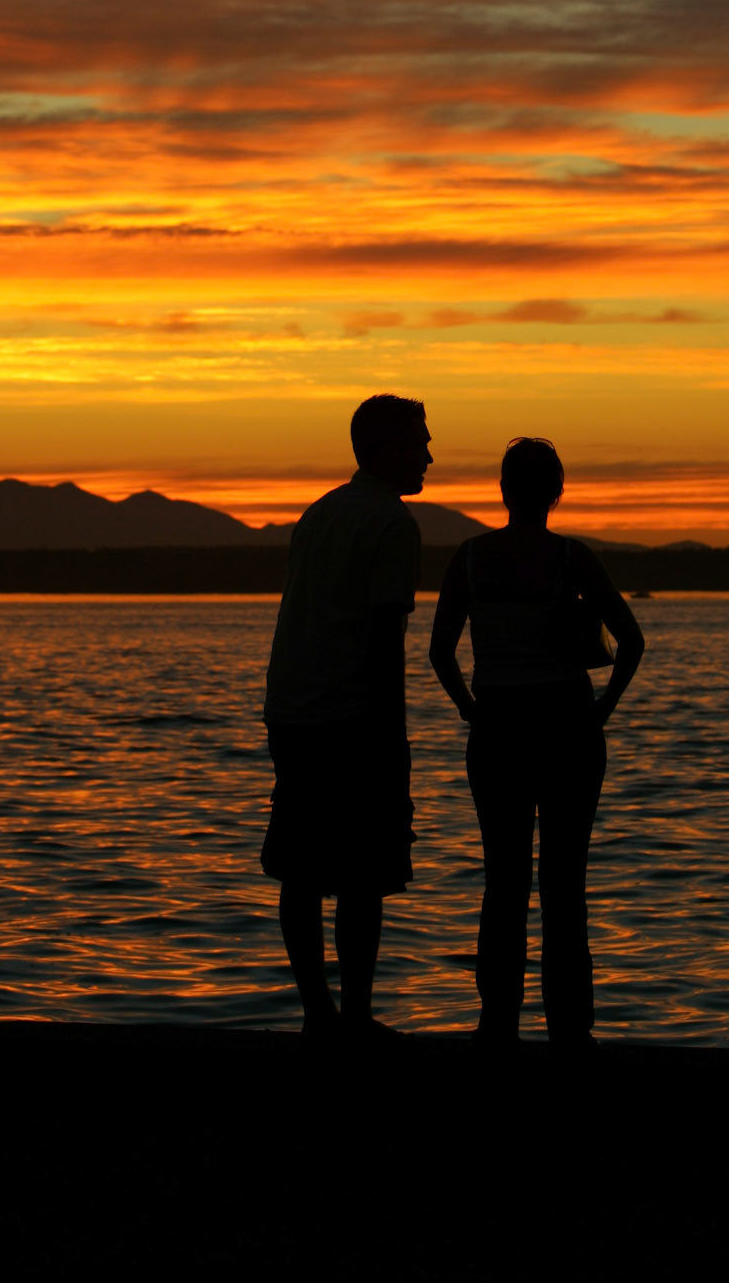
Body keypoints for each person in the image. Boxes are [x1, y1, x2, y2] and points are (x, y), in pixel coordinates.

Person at [428, 437, 644, 1051]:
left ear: (502, 490)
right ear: (557, 492)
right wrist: (600, 710)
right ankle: (571, 1034)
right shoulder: (572, 558)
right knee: (563, 884)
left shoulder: (469, 558)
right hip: (567, 726)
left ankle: (497, 1027)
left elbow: (440, 652)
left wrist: (472, 710)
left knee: (503, 883)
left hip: (497, 726)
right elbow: (631, 642)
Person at [261, 393, 432, 1037]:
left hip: (293, 707)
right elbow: (385, 641)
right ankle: (354, 1016)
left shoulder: (322, 512)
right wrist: (394, 739)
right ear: (387, 450)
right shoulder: (391, 525)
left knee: (302, 865)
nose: (429, 455)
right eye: (419, 443)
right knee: (363, 868)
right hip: (350, 713)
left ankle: (317, 1014)